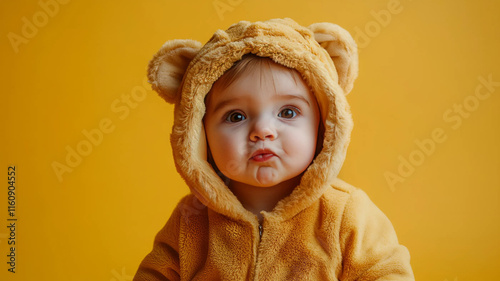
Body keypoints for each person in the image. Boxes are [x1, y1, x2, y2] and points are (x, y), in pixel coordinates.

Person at [134, 18, 414, 280]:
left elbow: (387, 272)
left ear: (324, 125)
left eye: (288, 112)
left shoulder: (346, 213)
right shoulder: (191, 220)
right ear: (199, 134)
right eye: (236, 116)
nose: (262, 130)